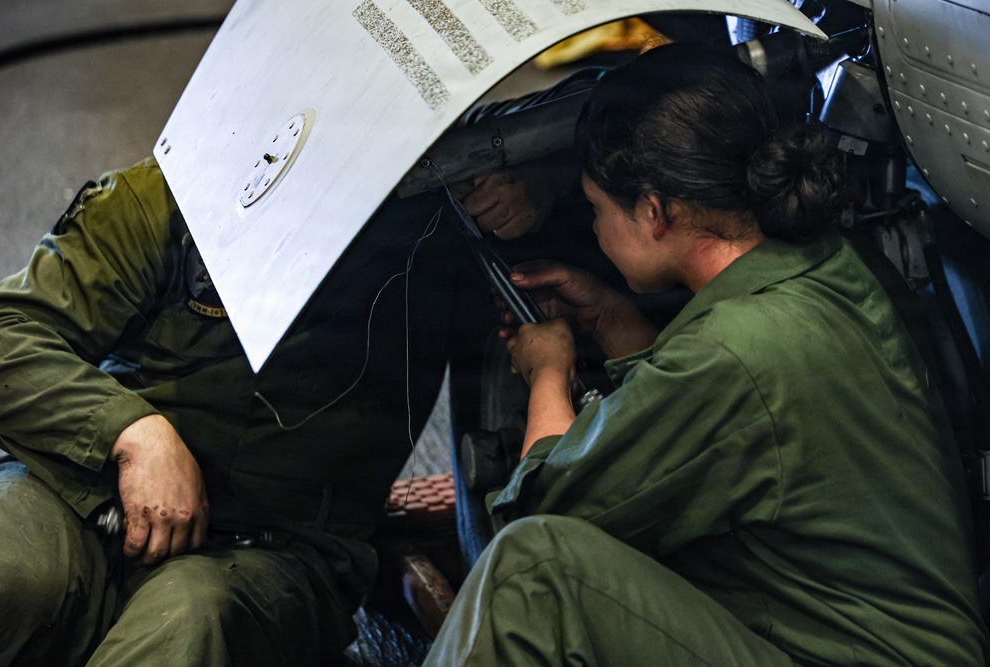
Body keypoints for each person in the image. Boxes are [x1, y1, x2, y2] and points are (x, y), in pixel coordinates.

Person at [424, 43, 990, 665]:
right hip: (839, 630)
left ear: (654, 211)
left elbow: (548, 504)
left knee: (528, 578)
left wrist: (547, 373)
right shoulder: (825, 263)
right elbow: (730, 425)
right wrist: (616, 322)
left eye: (596, 209)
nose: (592, 229)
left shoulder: (734, 353)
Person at [0, 152, 485, 664]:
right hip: (82, 487)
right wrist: (132, 432)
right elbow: (1, 332)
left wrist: (532, 201)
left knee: (188, 627)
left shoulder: (455, 194)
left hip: (273, 546)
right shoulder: (170, 192)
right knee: (5, 575)